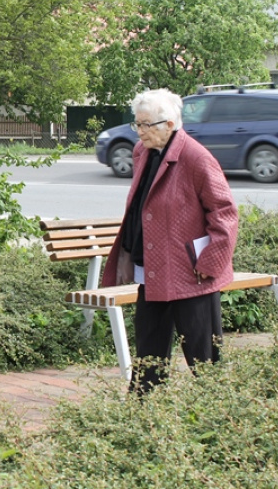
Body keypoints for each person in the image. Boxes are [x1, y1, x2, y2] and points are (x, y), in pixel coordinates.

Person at [102, 88, 238, 393]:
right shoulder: (142, 152)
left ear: (170, 124)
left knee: (204, 356)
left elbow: (225, 213)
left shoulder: (195, 157)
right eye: (137, 124)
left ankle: (220, 416)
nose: (140, 132)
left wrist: (211, 260)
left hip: (192, 274)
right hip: (151, 269)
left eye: (147, 125)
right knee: (149, 353)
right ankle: (145, 417)